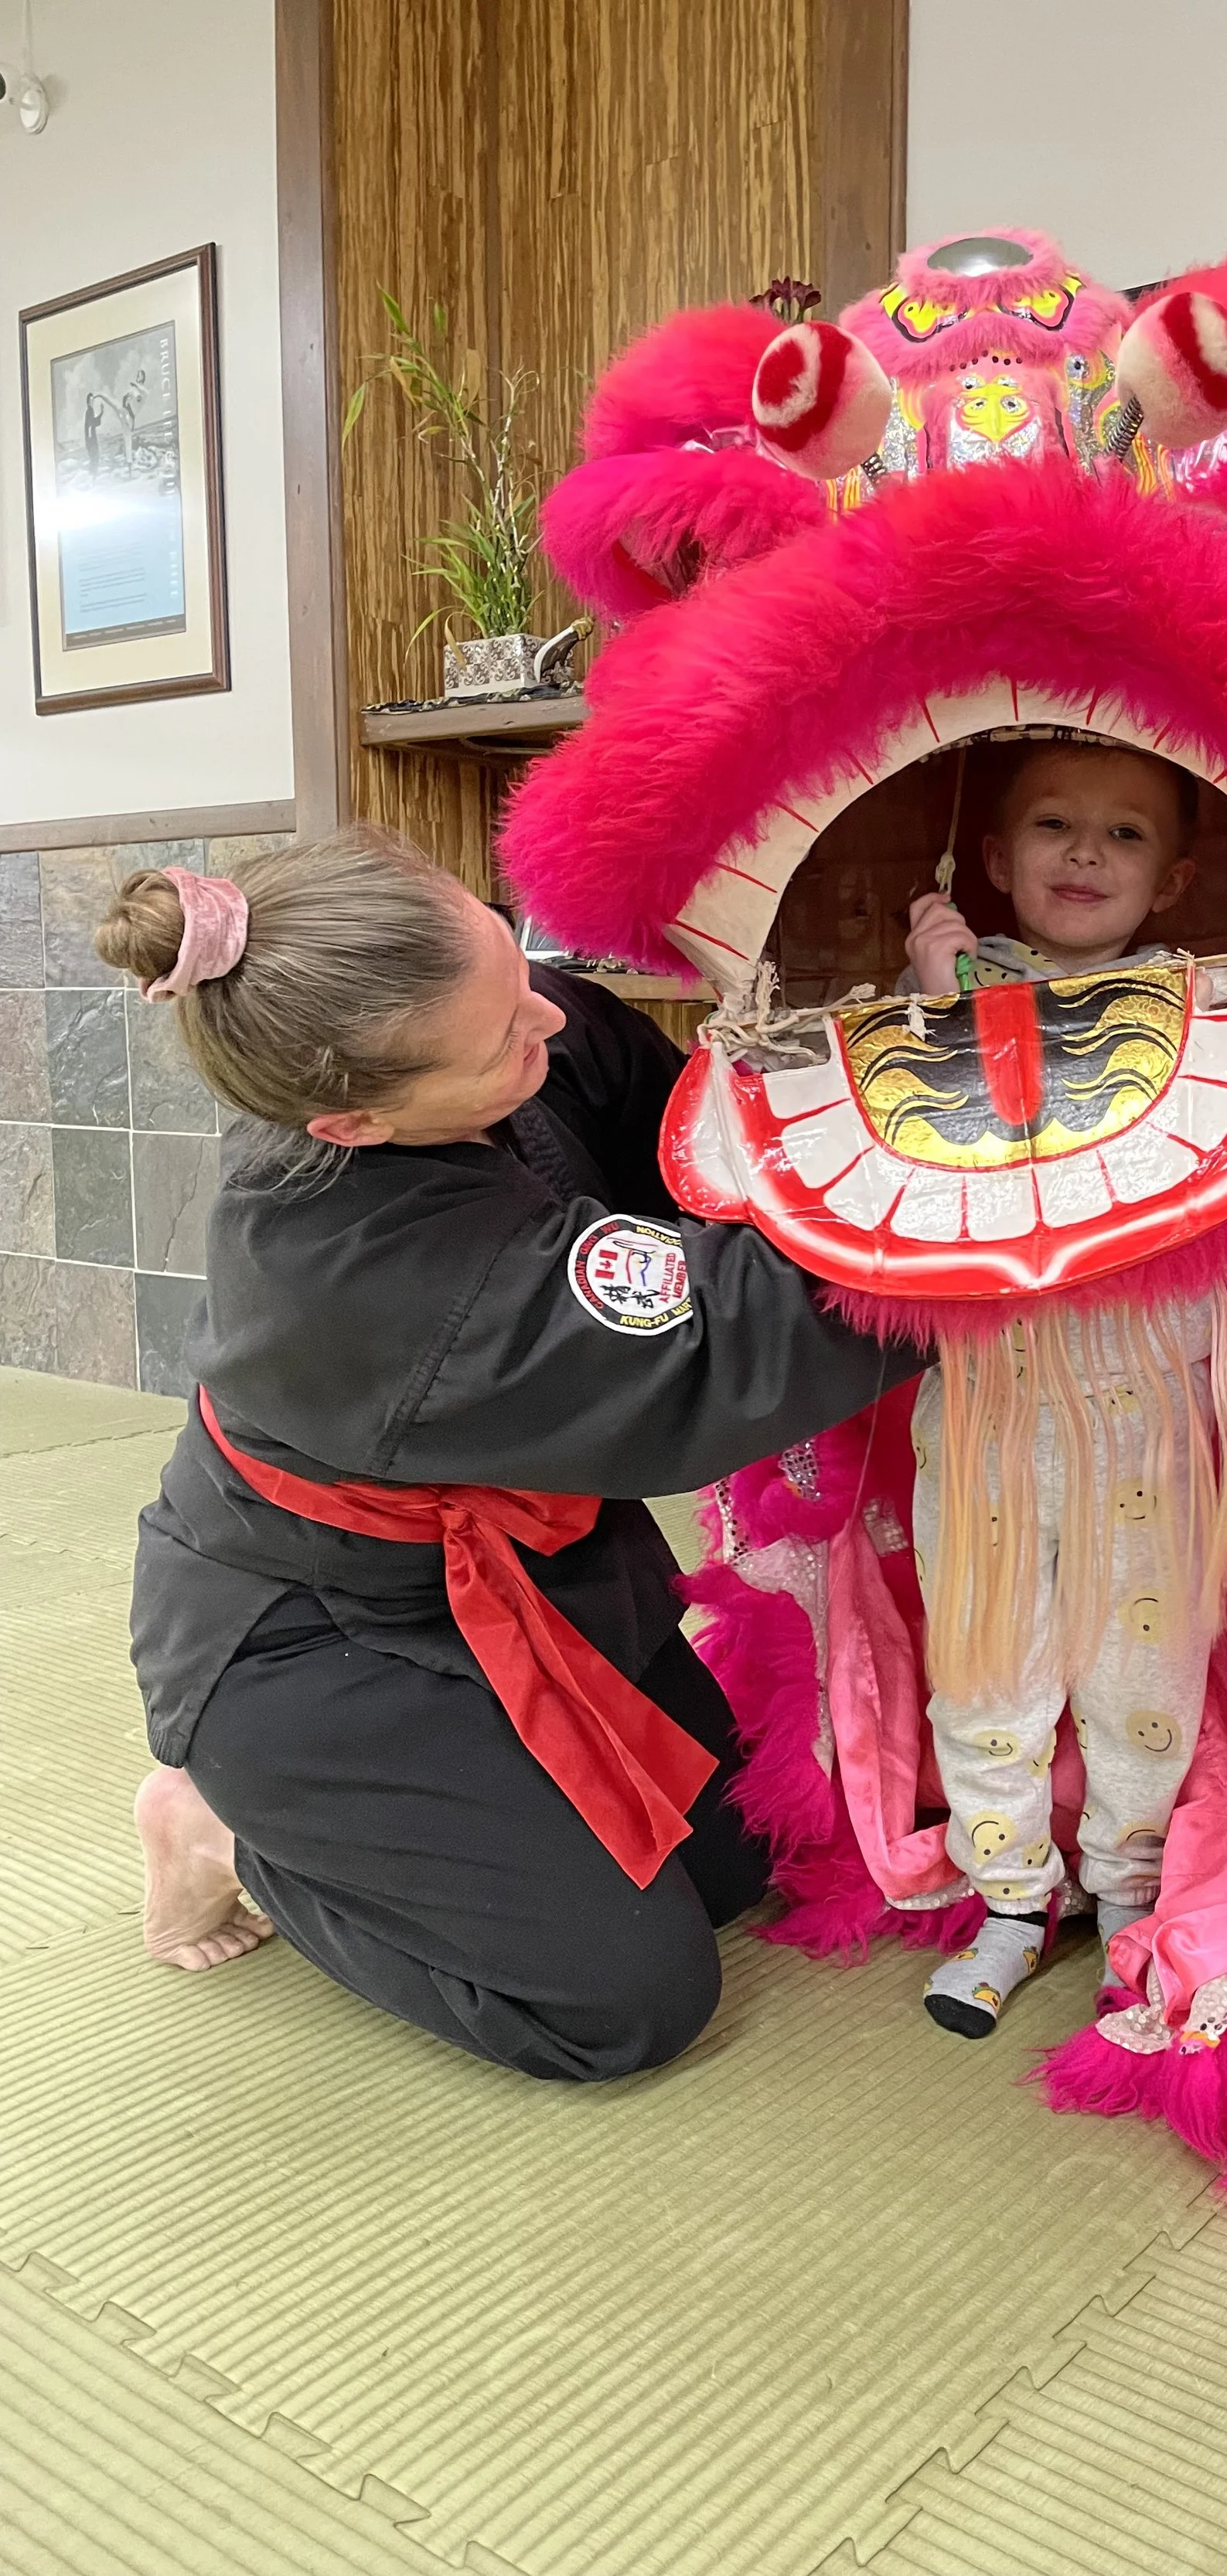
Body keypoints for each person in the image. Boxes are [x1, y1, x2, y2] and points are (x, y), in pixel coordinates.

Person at [97, 830, 918, 2081]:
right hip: (321, 1644)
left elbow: (678, 1137)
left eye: (511, 963)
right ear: (353, 1120)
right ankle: (227, 1834)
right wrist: (1014, 1197)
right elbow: (728, 1335)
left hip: (526, 1573)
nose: (549, 1013)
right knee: (624, 2003)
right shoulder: (389, 1286)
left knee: (733, 1865)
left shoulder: (466, 1014)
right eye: (505, 1042)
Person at [895, 740, 1225, 2037]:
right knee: (985, 1665)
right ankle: (1014, 1903)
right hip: (980, 1401)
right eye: (1053, 824)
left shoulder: (1210, 1010)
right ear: (992, 858)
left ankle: (1134, 1896)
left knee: (1148, 1663)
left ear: (1178, 873)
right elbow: (917, 1172)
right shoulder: (923, 1002)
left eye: (1127, 835)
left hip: (1147, 1402)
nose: (1086, 853)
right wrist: (938, 1002)